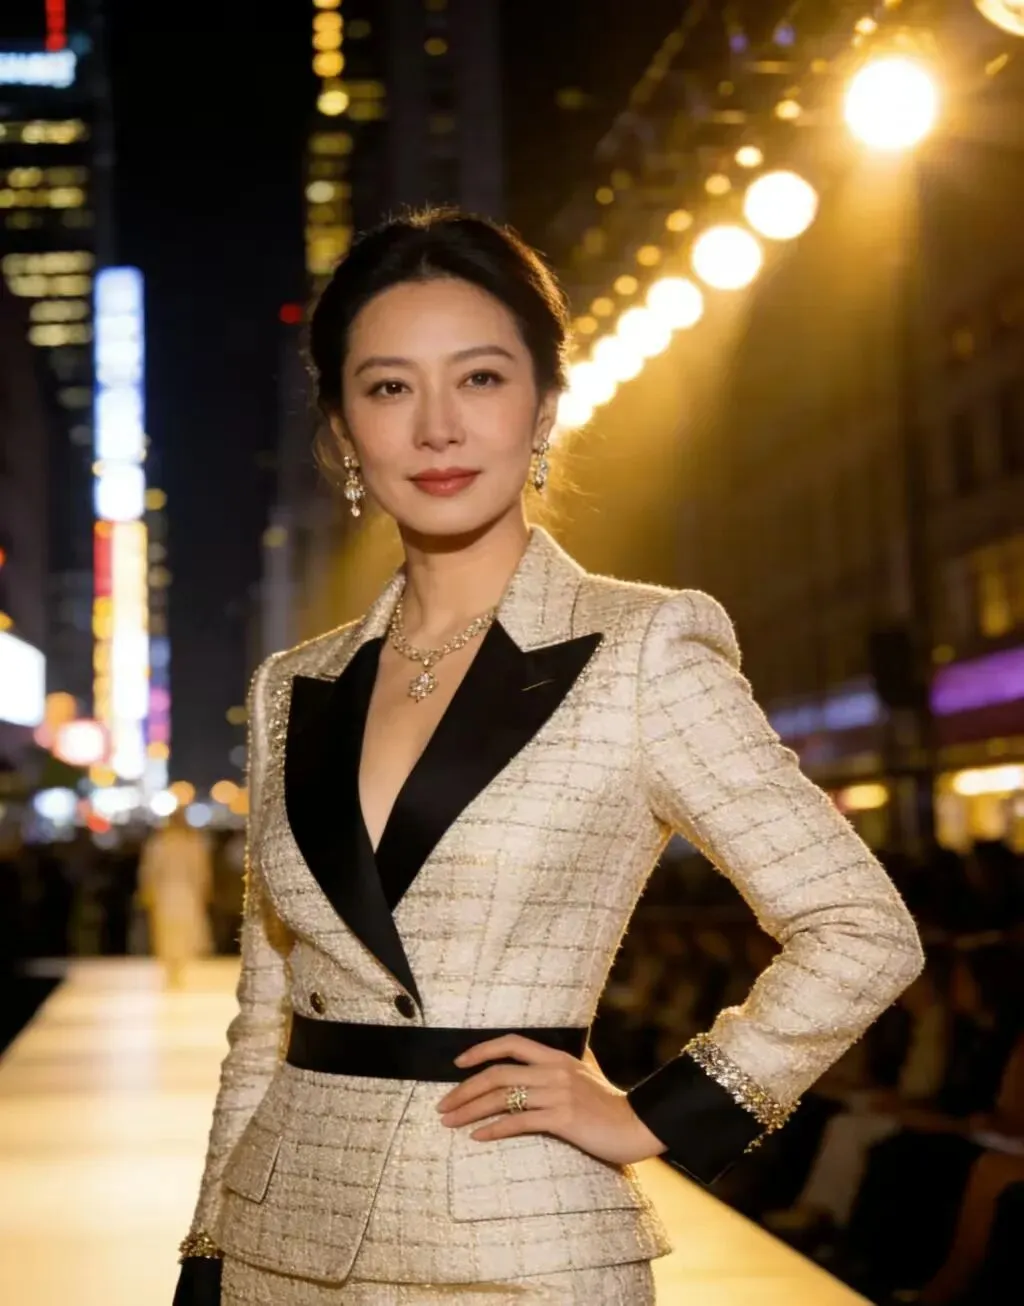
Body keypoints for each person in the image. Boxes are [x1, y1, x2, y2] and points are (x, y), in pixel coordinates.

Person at [173, 209, 924, 1305]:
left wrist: (658, 1113)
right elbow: (263, 1020)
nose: (437, 427)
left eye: (479, 378)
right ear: (341, 429)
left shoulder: (642, 648)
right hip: (278, 1246)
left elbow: (860, 927)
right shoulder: (294, 684)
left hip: (523, 1249)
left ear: (544, 407)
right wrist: (207, 1250)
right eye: (389, 387)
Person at [138, 807, 214, 988]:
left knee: (169, 932)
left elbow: (149, 872)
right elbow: (202, 873)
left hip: (168, 895)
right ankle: (177, 968)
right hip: (184, 894)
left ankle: (173, 968)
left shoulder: (159, 844)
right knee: (181, 931)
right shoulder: (192, 844)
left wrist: (148, 892)